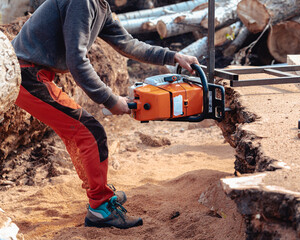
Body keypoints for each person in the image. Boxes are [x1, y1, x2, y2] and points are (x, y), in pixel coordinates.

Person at [11, 0, 199, 229]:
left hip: (35, 74)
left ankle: (97, 193)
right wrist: (110, 100)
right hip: (26, 75)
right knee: (90, 131)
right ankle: (100, 207)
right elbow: (77, 61)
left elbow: (128, 44)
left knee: (83, 131)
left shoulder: (101, 7)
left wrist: (173, 57)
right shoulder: (84, 3)